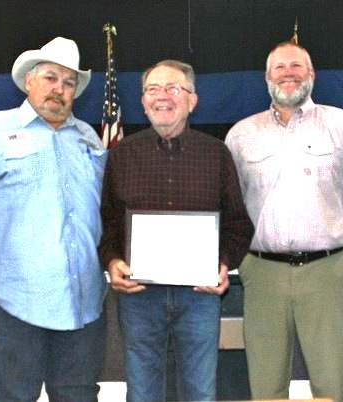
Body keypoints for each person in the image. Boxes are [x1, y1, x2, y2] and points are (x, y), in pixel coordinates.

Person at [0, 37, 108, 401]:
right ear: (29, 81)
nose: (59, 89)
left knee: (79, 395)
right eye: (50, 78)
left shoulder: (90, 140)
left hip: (83, 302)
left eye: (68, 83)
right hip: (11, 301)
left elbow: (104, 214)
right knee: (10, 394)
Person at [225, 41, 343, 402]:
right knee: (265, 386)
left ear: (312, 75)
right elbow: (230, 205)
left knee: (332, 384)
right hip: (262, 274)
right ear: (267, 77)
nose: (288, 73)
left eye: (296, 66)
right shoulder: (240, 135)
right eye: (280, 67)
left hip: (327, 271)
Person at [98, 59, 254, 401]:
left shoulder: (216, 154)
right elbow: (107, 220)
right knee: (142, 393)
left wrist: (223, 264)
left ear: (191, 100)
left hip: (199, 295)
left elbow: (239, 224)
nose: (161, 97)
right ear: (142, 101)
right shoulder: (121, 155)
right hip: (139, 296)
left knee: (200, 392)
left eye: (172, 88)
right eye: (152, 89)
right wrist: (111, 262)